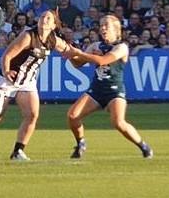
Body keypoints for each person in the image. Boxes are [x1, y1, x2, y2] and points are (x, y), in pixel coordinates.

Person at [0, 8, 69, 161]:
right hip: (8, 80)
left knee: (32, 115)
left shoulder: (53, 40)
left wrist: (82, 57)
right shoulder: (28, 36)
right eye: (42, 17)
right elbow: (8, 54)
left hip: (27, 82)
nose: (43, 20)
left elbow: (69, 50)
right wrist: (6, 71)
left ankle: (17, 152)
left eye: (48, 18)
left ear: (54, 25)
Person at [63, 14, 153, 161]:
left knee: (118, 122)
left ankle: (143, 146)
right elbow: (77, 63)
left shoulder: (121, 47)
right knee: (72, 116)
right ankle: (81, 144)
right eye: (101, 25)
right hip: (96, 90)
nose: (102, 28)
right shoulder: (95, 46)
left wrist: (79, 53)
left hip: (114, 91)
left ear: (116, 30)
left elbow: (103, 60)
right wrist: (70, 53)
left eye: (106, 25)